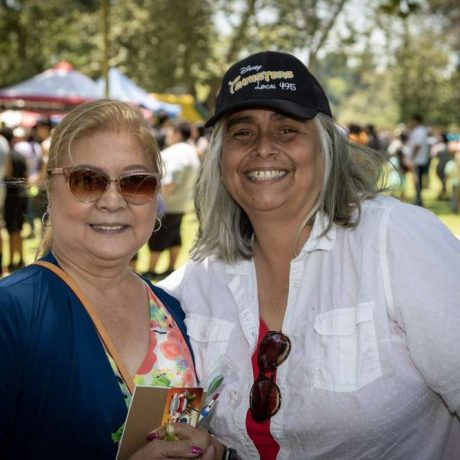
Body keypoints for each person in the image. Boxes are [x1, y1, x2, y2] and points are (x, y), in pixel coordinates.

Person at [159, 51, 460, 459]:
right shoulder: (201, 276)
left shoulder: (395, 239)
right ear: (220, 158)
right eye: (242, 133)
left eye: (287, 130)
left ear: (326, 147)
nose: (263, 148)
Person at [0, 100, 222, 459]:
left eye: (136, 182)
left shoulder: (176, 311)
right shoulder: (11, 315)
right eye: (87, 181)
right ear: (49, 190)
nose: (113, 200)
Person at [144, 119, 200, 279]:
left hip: (168, 204)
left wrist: (156, 202)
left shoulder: (175, 152)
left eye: (170, 131)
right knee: (175, 236)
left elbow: (170, 181)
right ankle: (170, 268)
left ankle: (151, 270)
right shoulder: (191, 151)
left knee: (158, 238)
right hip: (182, 203)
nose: (167, 135)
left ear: (176, 133)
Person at [405, 113, 431, 206]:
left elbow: (417, 145)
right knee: (417, 180)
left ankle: (418, 199)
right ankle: (418, 198)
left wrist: (411, 158)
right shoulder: (419, 131)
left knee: (417, 180)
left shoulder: (419, 131)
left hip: (418, 160)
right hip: (418, 159)